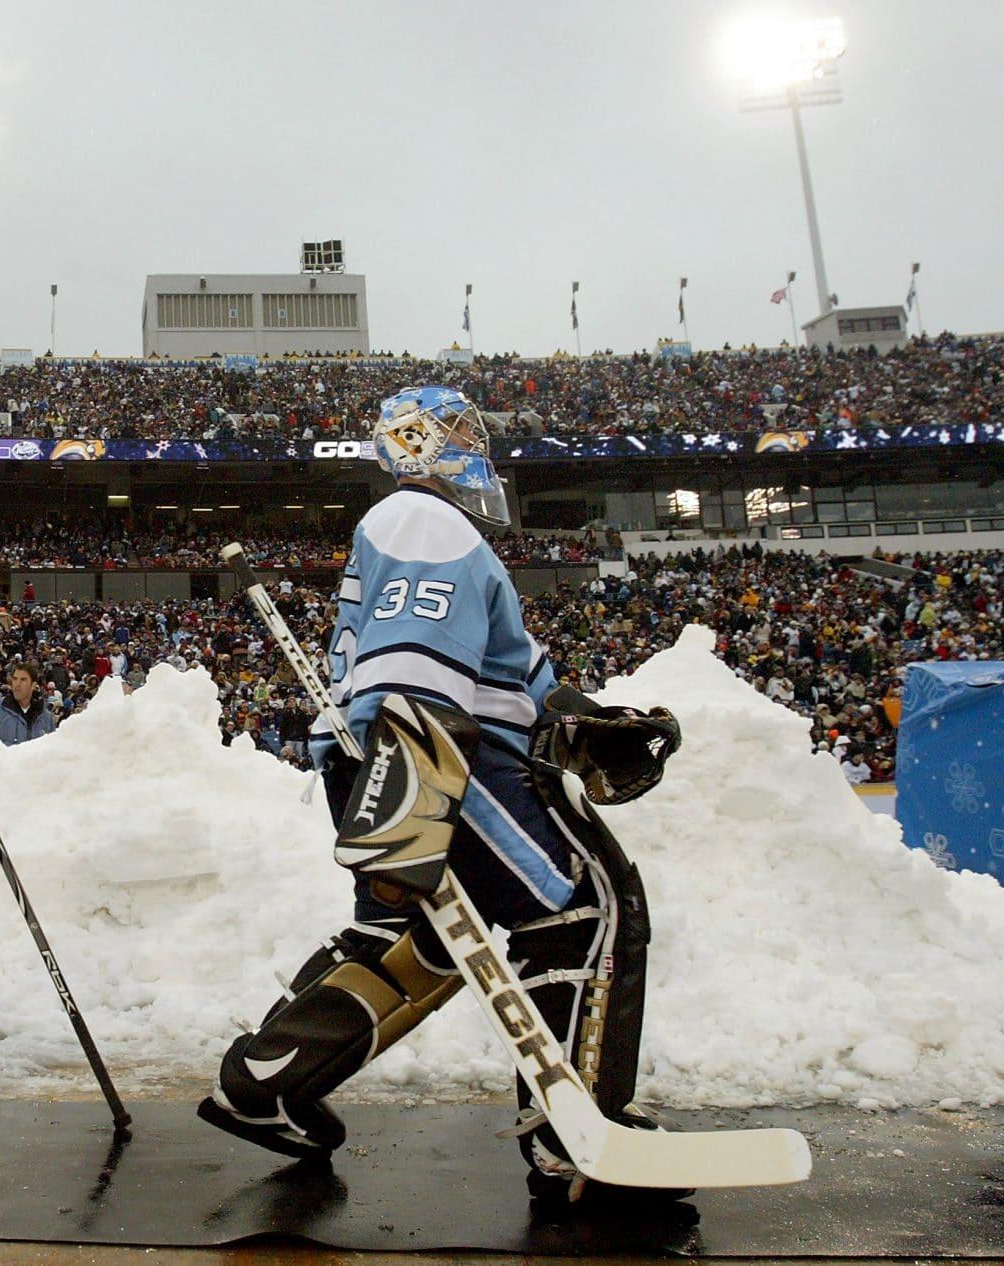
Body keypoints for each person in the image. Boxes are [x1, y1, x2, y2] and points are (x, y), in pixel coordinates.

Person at [199, 386, 682, 1207]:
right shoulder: (422, 517)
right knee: (579, 909)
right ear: (414, 441)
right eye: (456, 429)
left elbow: (513, 680)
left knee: (412, 943)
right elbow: (411, 668)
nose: (473, 443)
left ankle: (265, 1079)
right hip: (439, 752)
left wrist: (582, 719)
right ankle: (579, 1136)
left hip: (404, 747)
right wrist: (409, 811)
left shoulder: (422, 526)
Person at [0, 661, 54, 746]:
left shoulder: (46, 717)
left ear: (33, 685)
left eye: (23, 680)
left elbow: (53, 752)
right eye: (15, 679)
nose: (17, 684)